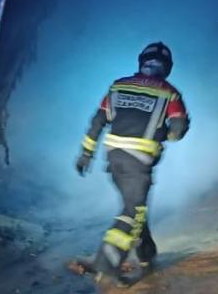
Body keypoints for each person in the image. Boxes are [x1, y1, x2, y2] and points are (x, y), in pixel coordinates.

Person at [76, 42, 190, 286]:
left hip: (114, 160)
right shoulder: (169, 92)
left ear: (141, 62)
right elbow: (178, 131)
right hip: (138, 164)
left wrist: (86, 154)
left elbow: (98, 122)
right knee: (132, 213)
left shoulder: (118, 85)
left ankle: (146, 254)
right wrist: (165, 135)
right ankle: (107, 263)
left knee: (135, 207)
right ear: (167, 67)